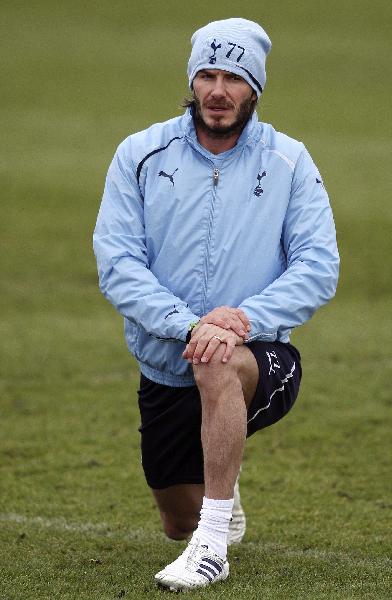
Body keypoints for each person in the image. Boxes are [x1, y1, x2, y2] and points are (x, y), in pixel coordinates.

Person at [93, 17, 339, 591]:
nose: (218, 90)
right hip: (166, 360)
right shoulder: (140, 154)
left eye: (234, 77)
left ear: (255, 89)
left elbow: (318, 265)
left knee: (217, 361)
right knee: (177, 520)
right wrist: (192, 325)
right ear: (192, 80)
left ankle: (211, 550)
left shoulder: (290, 162)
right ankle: (210, 511)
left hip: (259, 355)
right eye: (207, 74)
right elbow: (118, 265)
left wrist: (242, 321)